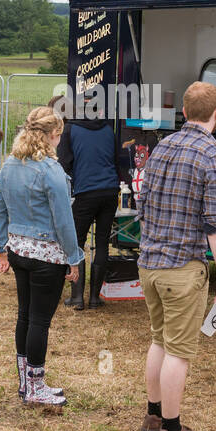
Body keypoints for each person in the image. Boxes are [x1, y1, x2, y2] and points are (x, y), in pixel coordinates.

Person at [136, 81, 216, 431]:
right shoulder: (214, 156)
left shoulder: (162, 146)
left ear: (183, 112)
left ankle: (153, 413)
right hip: (183, 268)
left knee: (158, 339)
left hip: (149, 263)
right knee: (178, 351)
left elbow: (143, 200)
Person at [0, 107, 84, 410]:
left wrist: (2, 247)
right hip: (47, 256)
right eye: (59, 135)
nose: (60, 140)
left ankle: (25, 382)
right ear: (52, 135)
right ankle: (36, 386)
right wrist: (74, 257)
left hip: (19, 251)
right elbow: (63, 220)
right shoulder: (51, 170)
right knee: (40, 321)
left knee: (25, 316)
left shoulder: (9, 165)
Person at [58, 110, 128, 310]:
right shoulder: (107, 129)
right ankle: (95, 298)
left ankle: (77, 297)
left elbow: (64, 164)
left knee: (77, 243)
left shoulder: (70, 129)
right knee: (102, 243)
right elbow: (116, 160)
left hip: (86, 192)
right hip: (110, 191)